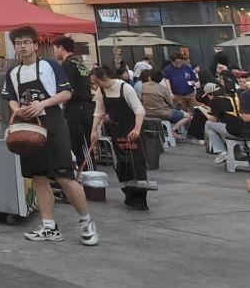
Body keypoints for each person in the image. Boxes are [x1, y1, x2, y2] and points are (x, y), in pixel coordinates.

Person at [3, 25, 98, 246]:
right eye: (18, 43)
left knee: (64, 175)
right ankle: (49, 227)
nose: (22, 47)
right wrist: (18, 110)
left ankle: (86, 221)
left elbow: (66, 93)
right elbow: (10, 97)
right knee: (38, 177)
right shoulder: (13, 72)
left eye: (26, 42)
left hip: (53, 123)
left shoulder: (50, 65)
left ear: (36, 45)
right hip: (28, 126)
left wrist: (42, 104)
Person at [89, 65, 150, 209]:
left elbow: (139, 110)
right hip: (117, 131)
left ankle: (140, 200)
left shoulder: (125, 88)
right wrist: (94, 131)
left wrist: (137, 129)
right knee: (123, 164)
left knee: (135, 165)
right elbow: (99, 112)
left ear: (104, 77)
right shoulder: (101, 91)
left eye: (96, 81)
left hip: (132, 131)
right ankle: (129, 196)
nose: (95, 85)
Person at [51, 36, 94, 168]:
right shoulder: (78, 63)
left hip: (77, 109)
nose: (54, 52)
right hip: (85, 108)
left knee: (82, 146)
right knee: (80, 145)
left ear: (60, 48)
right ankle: (85, 174)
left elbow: (68, 90)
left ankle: (89, 176)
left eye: (55, 48)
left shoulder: (67, 65)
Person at [139, 69, 192, 139]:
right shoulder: (163, 89)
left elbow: (141, 99)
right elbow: (171, 103)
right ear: (161, 79)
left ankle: (169, 131)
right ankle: (172, 130)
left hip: (148, 113)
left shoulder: (143, 86)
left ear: (150, 77)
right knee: (188, 116)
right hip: (163, 114)